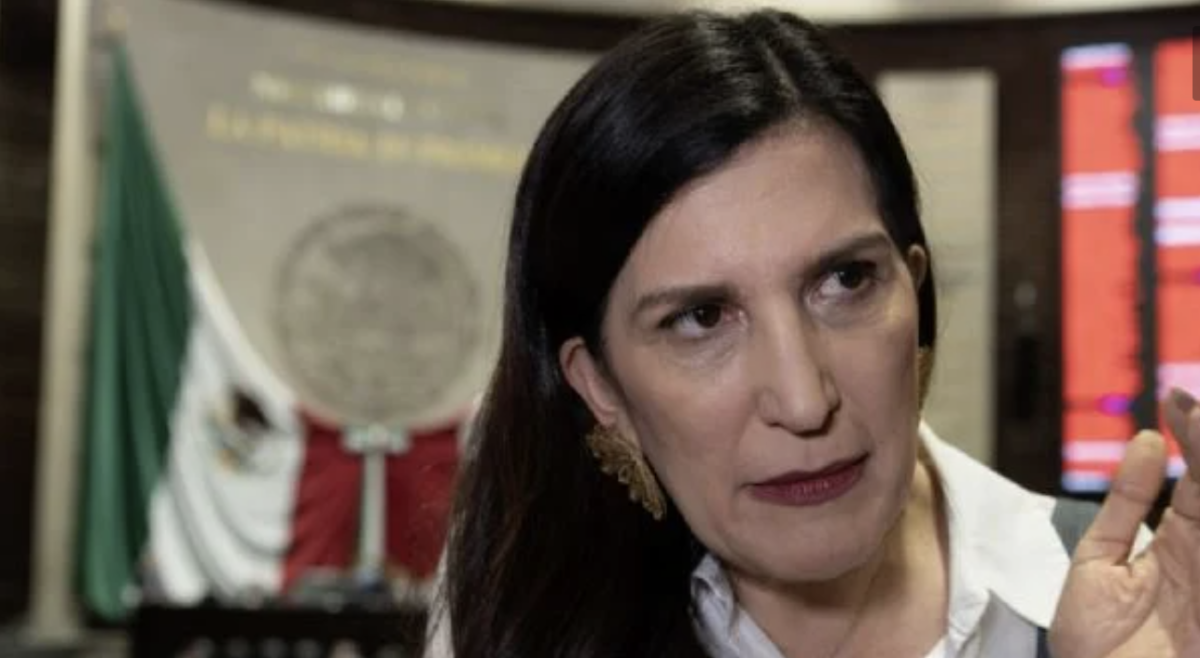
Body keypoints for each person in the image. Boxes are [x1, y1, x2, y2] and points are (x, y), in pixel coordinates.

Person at [429, 9, 1200, 658]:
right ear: (600, 386)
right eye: (702, 318)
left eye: (845, 281)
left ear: (914, 288)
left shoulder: (1128, 604)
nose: (804, 401)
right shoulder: (519, 616)